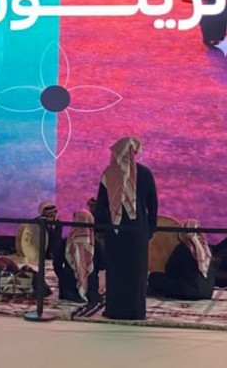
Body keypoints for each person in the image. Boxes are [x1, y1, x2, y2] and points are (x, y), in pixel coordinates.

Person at [95, 136, 158, 320]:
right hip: (134, 232)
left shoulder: (112, 174)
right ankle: (131, 311)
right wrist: (149, 229)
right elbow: (153, 205)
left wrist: (102, 226)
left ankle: (120, 310)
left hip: (120, 232)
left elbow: (101, 206)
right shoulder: (138, 173)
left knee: (124, 272)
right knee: (129, 272)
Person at [148, 219, 215, 300]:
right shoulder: (207, 249)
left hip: (188, 292)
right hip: (207, 292)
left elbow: (170, 270)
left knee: (154, 277)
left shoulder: (182, 248)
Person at [54, 209, 103, 303]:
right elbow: (102, 264)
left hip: (67, 289)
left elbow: (57, 263)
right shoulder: (95, 243)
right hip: (90, 289)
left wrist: (64, 276)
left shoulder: (66, 242)